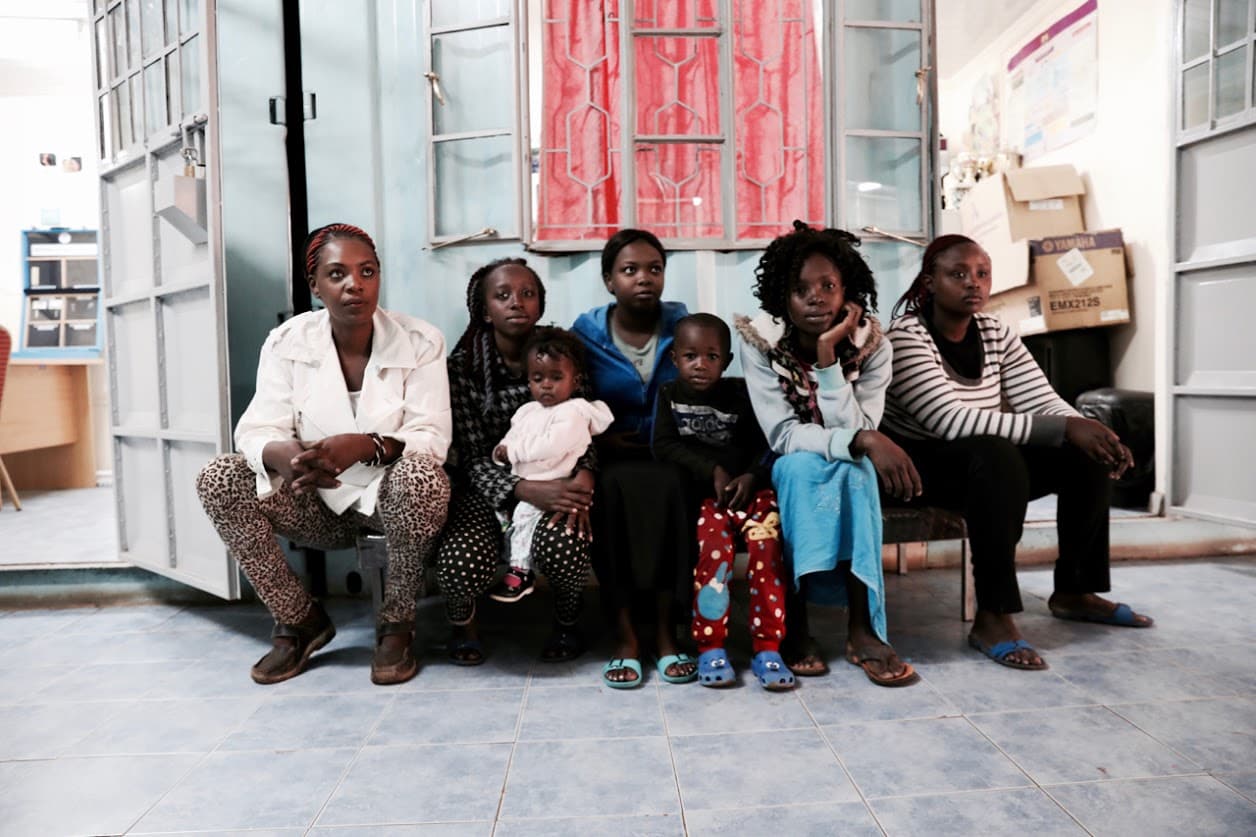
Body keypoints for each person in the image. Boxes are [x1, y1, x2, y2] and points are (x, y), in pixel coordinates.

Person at [196, 223, 451, 686]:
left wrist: (367, 445)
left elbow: (432, 436)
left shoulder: (421, 340)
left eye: (366, 271)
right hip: (314, 501)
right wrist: (283, 454)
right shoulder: (287, 342)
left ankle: (397, 625)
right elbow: (257, 428)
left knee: (422, 477)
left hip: (388, 502)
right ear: (315, 285)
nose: (355, 284)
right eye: (337, 274)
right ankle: (299, 620)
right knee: (219, 476)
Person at [883, 234, 1152, 670]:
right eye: (958, 274)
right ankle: (993, 615)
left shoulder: (994, 332)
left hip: (984, 464)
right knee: (997, 453)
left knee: (1082, 455)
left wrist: (1088, 431)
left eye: (982, 274)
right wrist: (1066, 427)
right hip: (916, 468)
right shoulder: (906, 337)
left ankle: (1074, 591)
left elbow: (1040, 399)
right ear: (930, 282)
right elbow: (949, 422)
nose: (974, 283)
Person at [736, 221, 920, 688]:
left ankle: (863, 628)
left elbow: (861, 428)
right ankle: (797, 624)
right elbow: (782, 434)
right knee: (800, 466)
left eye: (828, 286)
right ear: (783, 297)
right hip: (788, 460)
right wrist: (859, 442)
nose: (815, 298)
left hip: (848, 460)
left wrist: (827, 359)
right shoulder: (759, 341)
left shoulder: (875, 346)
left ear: (849, 294)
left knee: (855, 470)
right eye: (800, 290)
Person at [436, 258, 598, 666]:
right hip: (483, 488)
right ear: (484, 309)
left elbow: (586, 424)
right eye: (503, 295)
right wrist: (521, 489)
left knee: (566, 539)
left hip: (557, 478)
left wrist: (585, 476)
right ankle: (464, 628)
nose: (516, 303)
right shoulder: (462, 368)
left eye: (528, 294)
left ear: (540, 305)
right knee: (461, 558)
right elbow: (471, 456)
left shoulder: (563, 355)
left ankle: (567, 623)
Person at [572, 228, 697, 689]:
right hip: (611, 458)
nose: (643, 278)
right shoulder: (584, 336)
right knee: (610, 492)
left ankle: (666, 634)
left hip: (673, 455)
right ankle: (625, 637)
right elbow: (571, 405)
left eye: (654, 269)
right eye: (629, 270)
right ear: (609, 280)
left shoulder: (686, 327)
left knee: (674, 489)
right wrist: (599, 445)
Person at [652, 313, 793, 691]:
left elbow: (766, 444)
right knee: (713, 554)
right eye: (691, 356)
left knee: (767, 547)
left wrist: (751, 476)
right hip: (709, 498)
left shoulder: (741, 393)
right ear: (675, 359)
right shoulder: (668, 395)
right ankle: (711, 645)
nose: (701, 365)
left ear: (727, 361)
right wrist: (711, 470)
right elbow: (662, 446)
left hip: (753, 491)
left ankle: (768, 646)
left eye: (712, 356)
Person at [489, 328, 613, 602]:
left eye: (556, 378)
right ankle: (508, 532)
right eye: (538, 378)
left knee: (523, 520)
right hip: (523, 482)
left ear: (575, 380)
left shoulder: (573, 412)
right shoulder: (527, 411)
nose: (546, 385)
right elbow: (513, 436)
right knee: (506, 514)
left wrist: (514, 452)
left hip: (554, 483)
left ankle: (520, 571)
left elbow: (551, 445)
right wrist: (501, 452)